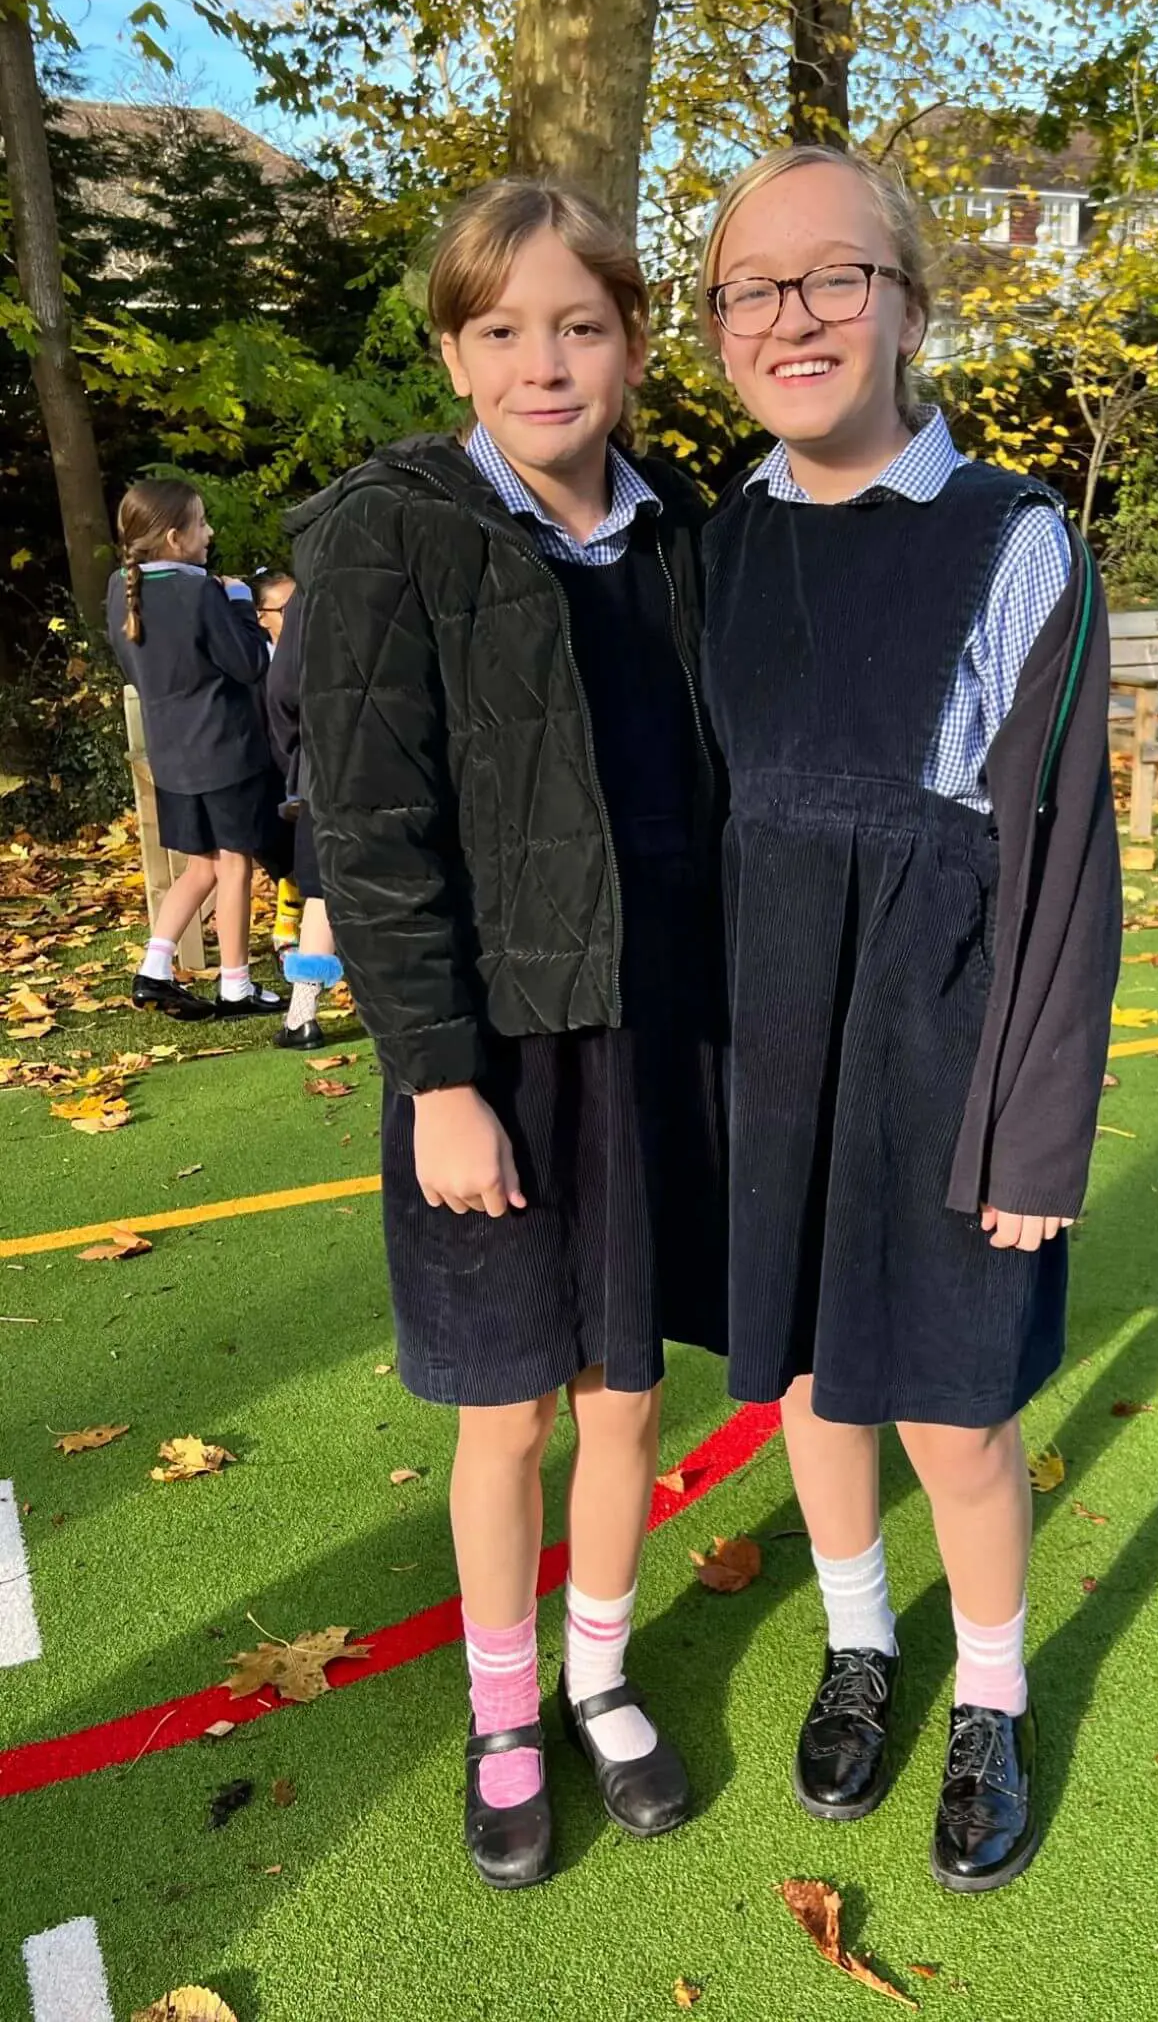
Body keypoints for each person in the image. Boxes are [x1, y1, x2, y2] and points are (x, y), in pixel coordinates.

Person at [289, 178, 727, 1890]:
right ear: (455, 351)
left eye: (581, 325)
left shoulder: (680, 532)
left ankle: (599, 1673)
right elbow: (371, 837)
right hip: (489, 1051)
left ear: (629, 341)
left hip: (654, 1036)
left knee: (626, 1391)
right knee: (510, 1411)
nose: (544, 362)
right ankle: (499, 1710)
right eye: (502, 330)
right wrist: (440, 1079)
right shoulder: (385, 531)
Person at [697, 146, 1121, 1894]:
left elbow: (1066, 862)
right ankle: (860, 1638)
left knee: (951, 1403)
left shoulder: (1015, 541)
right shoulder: (704, 547)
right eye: (750, 286)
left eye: (833, 276)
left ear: (909, 306)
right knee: (805, 1370)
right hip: (764, 1031)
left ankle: (994, 1693)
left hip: (947, 1043)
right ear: (719, 324)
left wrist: (1032, 1127)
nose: (791, 315)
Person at [106, 481, 285, 1022]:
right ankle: (236, 985)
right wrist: (237, 600)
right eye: (202, 524)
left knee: (201, 865)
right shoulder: (202, 592)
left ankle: (153, 970)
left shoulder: (120, 586)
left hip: (172, 753)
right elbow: (252, 663)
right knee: (233, 864)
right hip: (224, 749)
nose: (209, 534)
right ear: (174, 537)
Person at [263, 591, 340, 1051]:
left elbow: (281, 690)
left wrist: (298, 751)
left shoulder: (311, 592)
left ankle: (303, 1014)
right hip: (415, 758)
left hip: (327, 762)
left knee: (321, 892)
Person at [251, 568, 307, 956]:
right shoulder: (255, 665)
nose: (299, 616)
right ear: (262, 616)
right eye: (289, 608)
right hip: (270, 773)